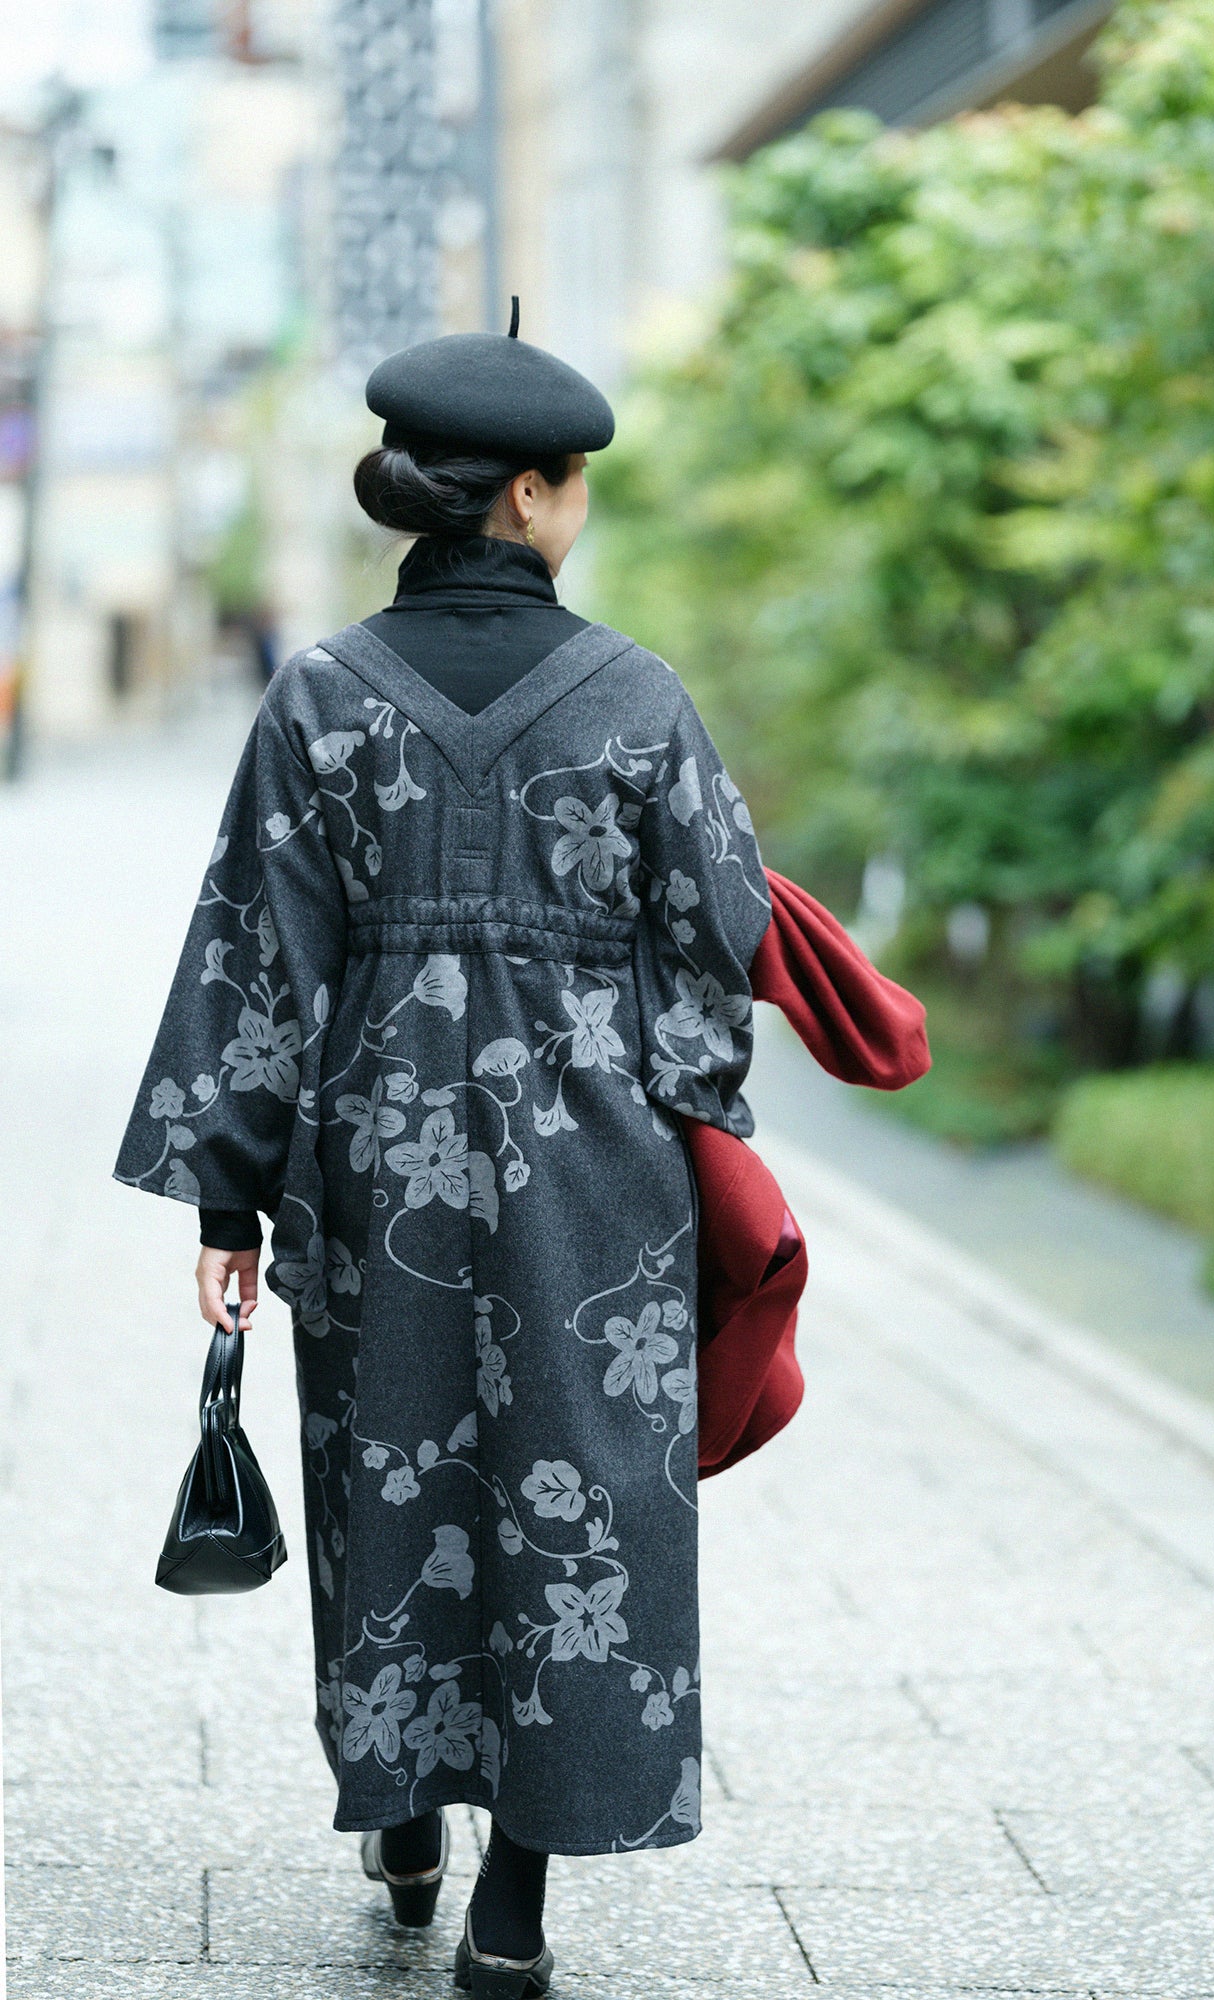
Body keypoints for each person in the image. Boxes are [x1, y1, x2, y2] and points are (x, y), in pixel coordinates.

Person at [114, 304, 772, 2000]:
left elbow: (254, 951)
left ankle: (401, 1816)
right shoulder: (638, 697)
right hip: (594, 1174)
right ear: (540, 499)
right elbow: (714, 948)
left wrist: (226, 1190)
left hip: (367, 1170)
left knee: (386, 1471)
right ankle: (513, 1912)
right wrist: (699, 1134)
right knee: (584, 1509)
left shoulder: (321, 692)